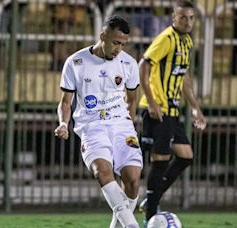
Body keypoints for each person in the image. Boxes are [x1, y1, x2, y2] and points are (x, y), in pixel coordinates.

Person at [54, 15, 142, 228]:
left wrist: (130, 120)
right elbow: (66, 102)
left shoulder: (129, 64)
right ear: (103, 36)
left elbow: (132, 98)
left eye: (123, 44)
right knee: (102, 171)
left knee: (132, 179)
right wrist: (63, 124)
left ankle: (119, 224)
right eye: (115, 42)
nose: (119, 48)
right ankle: (132, 226)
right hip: (91, 126)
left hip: (122, 125)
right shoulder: (76, 62)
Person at [137, 0, 207, 225]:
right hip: (157, 110)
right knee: (159, 160)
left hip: (172, 110)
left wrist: (196, 108)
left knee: (186, 156)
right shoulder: (166, 39)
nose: (188, 22)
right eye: (183, 17)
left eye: (191, 18)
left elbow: (184, 78)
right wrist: (153, 102)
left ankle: (152, 198)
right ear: (174, 18)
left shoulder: (187, 41)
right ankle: (150, 215)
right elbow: (143, 65)